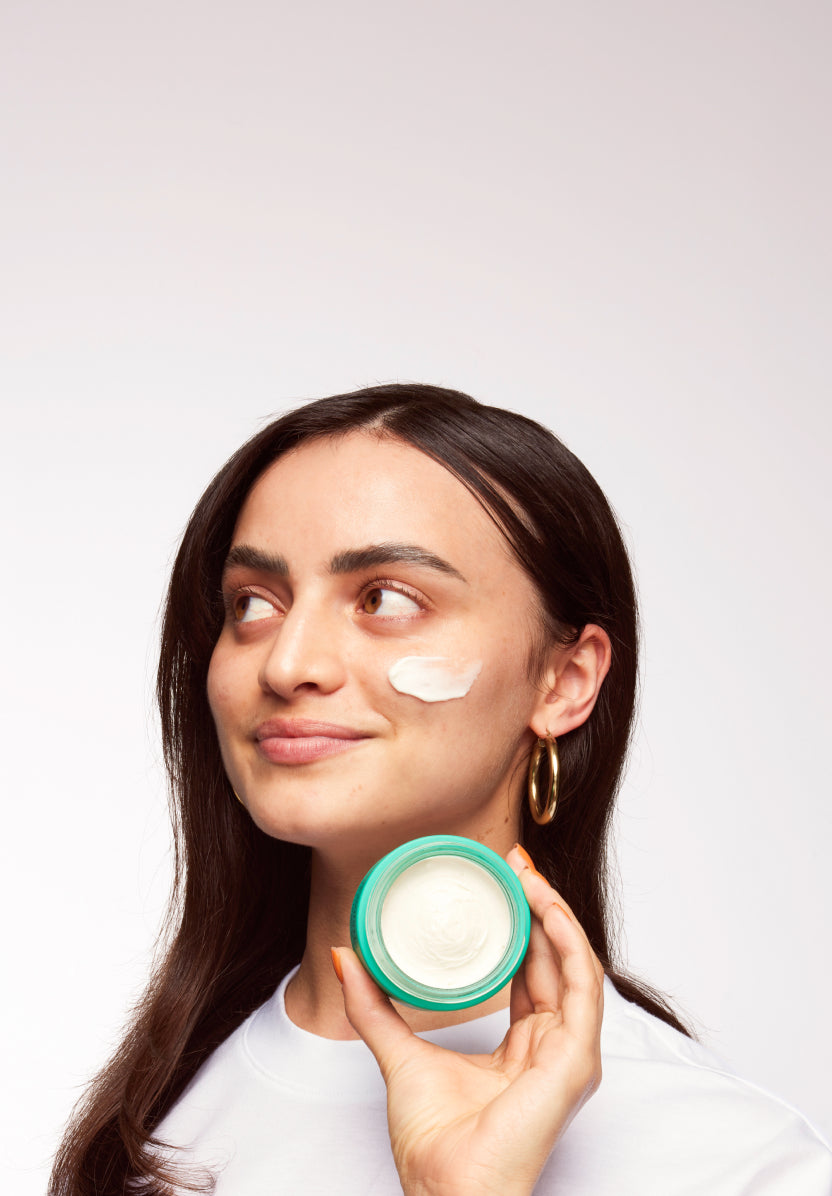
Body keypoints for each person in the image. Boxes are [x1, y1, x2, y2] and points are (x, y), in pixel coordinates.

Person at [51, 385, 831, 1195]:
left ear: (565, 680)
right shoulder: (152, 1132)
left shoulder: (741, 1165)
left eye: (386, 599)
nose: (286, 664)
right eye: (253, 603)